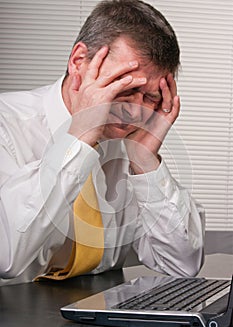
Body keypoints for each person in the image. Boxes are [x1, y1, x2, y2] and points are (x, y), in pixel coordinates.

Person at [0, 0, 205, 286]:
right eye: (126, 88)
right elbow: (6, 256)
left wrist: (144, 158)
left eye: (151, 97)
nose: (135, 112)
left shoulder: (128, 143)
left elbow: (182, 264)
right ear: (79, 62)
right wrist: (80, 137)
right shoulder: (6, 124)